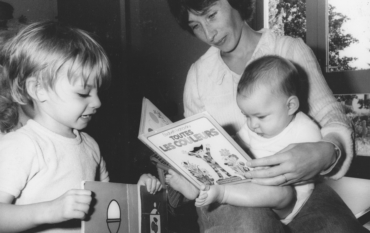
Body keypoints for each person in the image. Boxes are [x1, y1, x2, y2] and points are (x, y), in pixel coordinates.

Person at [165, 0, 367, 232]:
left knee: (338, 228)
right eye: (196, 26)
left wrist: (326, 151)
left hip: (299, 190)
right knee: (251, 227)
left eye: (211, 15)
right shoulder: (199, 74)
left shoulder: (289, 50)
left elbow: (330, 115)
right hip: (229, 192)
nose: (208, 33)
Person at [0, 21, 162, 233]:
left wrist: (137, 193)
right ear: (38, 90)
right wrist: (49, 211)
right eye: (83, 93)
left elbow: (106, 208)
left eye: (98, 92)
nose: (97, 103)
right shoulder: (21, 145)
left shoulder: (90, 146)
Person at [192, 55, 321, 225]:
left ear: (290, 106)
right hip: (253, 190)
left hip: (290, 203)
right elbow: (239, 145)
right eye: (246, 116)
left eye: (260, 116)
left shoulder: (306, 130)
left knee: (283, 192)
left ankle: (223, 193)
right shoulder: (253, 126)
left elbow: (311, 167)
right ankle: (190, 186)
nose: (252, 124)